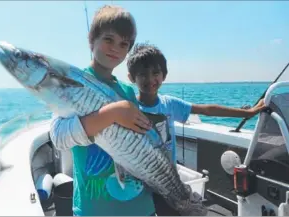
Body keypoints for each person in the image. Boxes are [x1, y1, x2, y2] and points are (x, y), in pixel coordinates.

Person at [126, 42, 266, 216]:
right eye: (142, 74)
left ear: (164, 75)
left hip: (169, 180)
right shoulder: (128, 107)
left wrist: (246, 113)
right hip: (140, 183)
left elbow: (206, 109)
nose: (150, 79)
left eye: (155, 73)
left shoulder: (168, 104)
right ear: (132, 77)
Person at [50, 5, 156, 216]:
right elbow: (59, 137)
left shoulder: (126, 90)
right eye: (108, 39)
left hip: (141, 206)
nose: (115, 48)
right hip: (95, 208)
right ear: (92, 40)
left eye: (123, 43)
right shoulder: (73, 83)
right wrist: (112, 113)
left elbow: (138, 138)